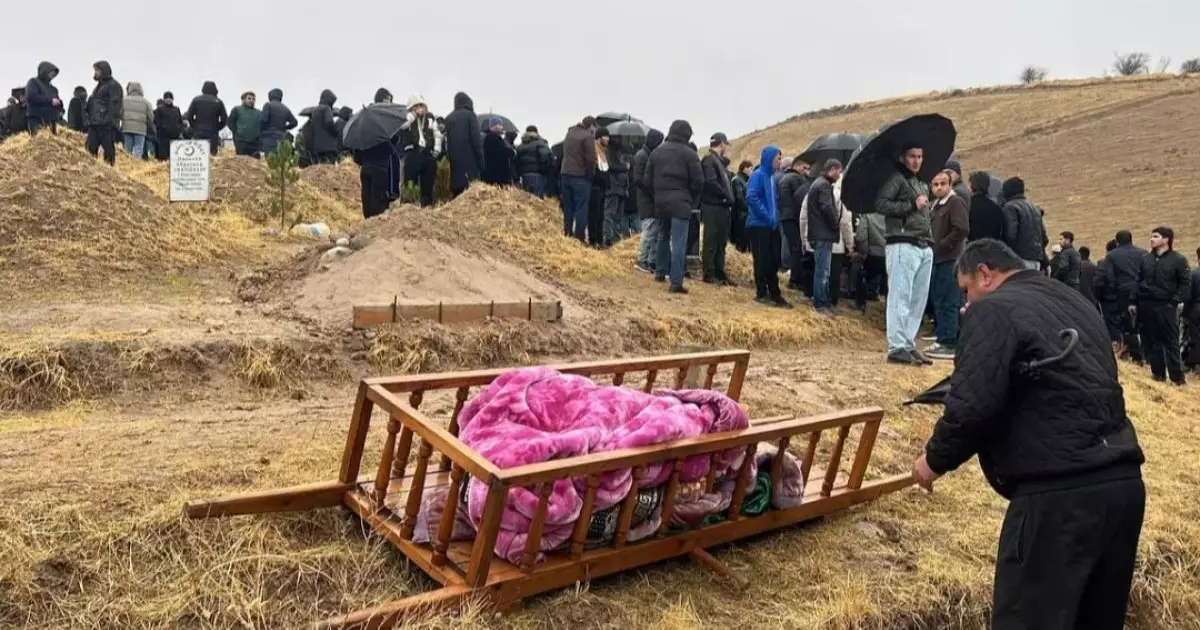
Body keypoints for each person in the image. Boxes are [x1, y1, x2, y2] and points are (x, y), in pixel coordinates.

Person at [914, 238, 1146, 630]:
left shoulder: (993, 310)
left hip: (1057, 498)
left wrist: (933, 461)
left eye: (966, 290)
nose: (967, 303)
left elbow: (971, 406)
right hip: (1122, 485)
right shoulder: (1073, 301)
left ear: (985, 274)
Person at [877, 143, 934, 366]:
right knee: (900, 296)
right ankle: (897, 345)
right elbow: (881, 204)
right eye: (912, 156)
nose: (916, 161)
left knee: (917, 298)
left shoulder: (920, 182)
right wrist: (911, 205)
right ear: (903, 157)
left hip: (923, 243)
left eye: (920, 156)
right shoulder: (896, 179)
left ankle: (908, 342)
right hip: (902, 242)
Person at [645, 120, 703, 295]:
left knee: (662, 236)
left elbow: (647, 181)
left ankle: (660, 273)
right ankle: (676, 282)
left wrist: (658, 195)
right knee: (679, 241)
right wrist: (690, 198)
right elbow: (698, 182)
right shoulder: (690, 154)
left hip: (661, 201)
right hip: (681, 202)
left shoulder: (656, 152)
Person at [1134, 226, 1191, 385]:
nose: (1151, 239)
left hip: (1166, 306)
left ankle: (1177, 378)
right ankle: (1158, 374)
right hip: (1147, 305)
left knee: (1171, 341)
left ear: (1166, 239)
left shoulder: (1178, 260)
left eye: (1156, 236)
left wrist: (1174, 301)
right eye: (1151, 236)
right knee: (1152, 342)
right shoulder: (1145, 259)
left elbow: (1185, 284)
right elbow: (1138, 280)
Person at [926, 169, 970, 359]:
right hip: (938, 258)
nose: (939, 187)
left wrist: (943, 245)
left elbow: (961, 229)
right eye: (935, 184)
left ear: (950, 184)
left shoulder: (955, 202)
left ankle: (949, 341)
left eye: (943, 183)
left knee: (948, 300)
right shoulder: (935, 205)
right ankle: (943, 335)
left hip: (949, 258)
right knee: (939, 298)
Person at [745, 145, 791, 307]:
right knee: (762, 260)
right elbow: (752, 197)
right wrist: (767, 215)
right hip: (758, 225)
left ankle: (775, 293)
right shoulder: (758, 176)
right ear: (770, 158)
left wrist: (774, 218)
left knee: (772, 260)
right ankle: (762, 292)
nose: (779, 161)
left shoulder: (771, 178)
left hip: (770, 225)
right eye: (778, 158)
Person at [804, 159, 845, 313]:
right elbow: (827, 207)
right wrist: (836, 224)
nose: (839, 175)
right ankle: (821, 305)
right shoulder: (823, 185)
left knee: (823, 272)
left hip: (819, 233)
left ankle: (824, 302)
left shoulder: (819, 183)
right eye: (839, 171)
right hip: (822, 234)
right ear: (832, 169)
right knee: (823, 273)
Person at [1103, 230, 1148, 358]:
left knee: (1127, 326)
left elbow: (1109, 277)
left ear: (1117, 241)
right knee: (1144, 325)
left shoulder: (1112, 255)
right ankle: (1146, 356)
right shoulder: (1143, 253)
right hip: (1142, 292)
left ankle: (1134, 355)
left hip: (1122, 293)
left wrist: (1113, 293)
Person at [700, 132, 736, 285]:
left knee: (721, 240)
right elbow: (711, 182)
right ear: (721, 144)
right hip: (712, 206)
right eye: (726, 145)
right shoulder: (709, 159)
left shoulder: (718, 161)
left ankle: (720, 272)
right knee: (712, 239)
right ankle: (709, 273)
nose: (726, 148)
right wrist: (725, 196)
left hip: (721, 206)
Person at [398, 94, 442, 207]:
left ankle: (427, 206)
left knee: (428, 183)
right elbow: (402, 126)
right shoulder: (407, 117)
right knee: (410, 183)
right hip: (412, 154)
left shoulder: (430, 117)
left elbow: (437, 134)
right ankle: (409, 206)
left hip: (428, 155)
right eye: (416, 105)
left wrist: (437, 150)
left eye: (421, 105)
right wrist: (413, 114)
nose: (419, 108)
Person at [559, 116, 598, 241]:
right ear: (591, 126)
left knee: (568, 207)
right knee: (581, 208)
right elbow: (591, 160)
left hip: (565, 174)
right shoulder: (587, 137)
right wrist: (591, 175)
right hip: (581, 177)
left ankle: (568, 233)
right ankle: (579, 237)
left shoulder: (569, 133)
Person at [632, 128, 664, 273]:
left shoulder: (649, 155)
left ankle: (651, 261)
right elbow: (638, 180)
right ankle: (642, 260)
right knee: (649, 231)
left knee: (655, 232)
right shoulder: (641, 156)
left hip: (652, 199)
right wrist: (652, 190)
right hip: (646, 200)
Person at [777, 159, 812, 292]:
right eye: (804, 167)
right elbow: (802, 198)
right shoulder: (796, 179)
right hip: (793, 217)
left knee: (792, 247)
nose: (806, 171)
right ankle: (796, 280)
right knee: (798, 249)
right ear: (796, 166)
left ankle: (794, 277)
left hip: (785, 216)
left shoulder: (785, 178)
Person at [1000, 177, 1048, 270]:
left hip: (1019, 258)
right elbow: (1044, 237)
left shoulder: (1010, 207)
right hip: (1036, 259)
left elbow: (1010, 235)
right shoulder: (1035, 208)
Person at [352, 132, 402, 219]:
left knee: (366, 197)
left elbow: (356, 157)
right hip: (380, 169)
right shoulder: (383, 133)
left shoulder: (362, 135)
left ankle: (367, 221)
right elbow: (392, 149)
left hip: (365, 168)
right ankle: (376, 224)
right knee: (378, 199)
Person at [444, 91, 484, 197]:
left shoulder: (448, 118)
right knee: (471, 197)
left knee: (457, 197)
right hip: (470, 162)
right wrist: (481, 162)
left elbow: (445, 141)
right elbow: (476, 140)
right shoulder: (470, 115)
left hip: (454, 163)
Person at [86, 61, 123, 166]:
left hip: (106, 125)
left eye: (97, 70)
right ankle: (91, 172)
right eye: (95, 70)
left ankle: (110, 174)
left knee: (109, 153)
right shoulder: (98, 86)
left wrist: (109, 122)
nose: (95, 73)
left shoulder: (114, 86)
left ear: (104, 71)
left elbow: (115, 106)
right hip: (95, 124)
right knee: (89, 150)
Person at [854, 212, 888, 312]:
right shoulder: (894, 216)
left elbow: (860, 236)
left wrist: (863, 252)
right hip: (890, 255)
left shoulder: (868, 216)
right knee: (890, 284)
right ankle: (888, 311)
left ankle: (861, 305)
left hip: (873, 255)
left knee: (863, 276)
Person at [185, 81, 227, 155]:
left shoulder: (196, 99)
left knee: (198, 154)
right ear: (215, 89)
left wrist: (194, 126)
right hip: (213, 132)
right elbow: (224, 119)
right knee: (212, 155)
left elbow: (189, 116)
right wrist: (217, 127)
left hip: (198, 131)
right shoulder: (219, 101)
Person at [586, 128, 611, 247]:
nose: (608, 139)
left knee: (601, 216)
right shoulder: (594, 150)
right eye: (605, 136)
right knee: (594, 215)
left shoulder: (604, 152)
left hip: (602, 187)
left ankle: (600, 240)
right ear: (599, 138)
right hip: (595, 186)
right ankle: (593, 240)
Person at [514, 125, 553, 197]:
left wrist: (517, 177)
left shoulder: (520, 146)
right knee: (538, 200)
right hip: (538, 175)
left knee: (528, 199)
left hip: (524, 176)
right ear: (537, 133)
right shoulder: (541, 143)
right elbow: (545, 157)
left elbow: (516, 163)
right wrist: (544, 170)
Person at [24, 61, 61, 135]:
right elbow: (31, 97)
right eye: (51, 72)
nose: (52, 75)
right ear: (44, 71)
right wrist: (50, 101)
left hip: (51, 122)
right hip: (37, 120)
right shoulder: (33, 82)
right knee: (40, 144)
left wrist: (60, 104)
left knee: (52, 145)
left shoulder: (54, 89)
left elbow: (57, 101)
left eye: (54, 74)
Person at [967, 171, 1004, 242]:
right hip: (990, 248)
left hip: (972, 248)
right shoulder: (996, 208)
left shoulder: (967, 205)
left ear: (972, 186)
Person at [259, 89, 297, 156]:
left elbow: (263, 120)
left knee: (270, 160)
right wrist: (284, 127)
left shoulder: (268, 105)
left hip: (269, 137)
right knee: (280, 159)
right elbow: (294, 122)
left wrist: (261, 131)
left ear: (270, 96)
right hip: (282, 137)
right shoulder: (285, 108)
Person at [121, 82, 154, 159]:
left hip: (127, 128)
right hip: (141, 129)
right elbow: (151, 117)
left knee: (127, 148)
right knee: (138, 148)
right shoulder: (146, 102)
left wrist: (124, 121)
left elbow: (119, 113)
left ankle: (127, 165)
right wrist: (147, 124)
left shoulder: (124, 100)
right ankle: (135, 165)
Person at [308, 89, 340, 165]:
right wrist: (336, 132)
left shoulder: (315, 110)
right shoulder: (327, 109)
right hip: (328, 146)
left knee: (321, 169)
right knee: (329, 170)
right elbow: (329, 122)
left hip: (318, 146)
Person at [226, 92, 262, 158]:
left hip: (255, 143)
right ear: (243, 100)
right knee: (242, 163)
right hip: (241, 142)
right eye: (249, 98)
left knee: (255, 165)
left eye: (253, 99)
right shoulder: (237, 109)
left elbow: (262, 125)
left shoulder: (258, 112)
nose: (251, 100)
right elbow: (230, 122)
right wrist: (237, 132)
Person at [482, 117, 515, 186]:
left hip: (498, 174)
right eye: (499, 125)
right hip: (496, 175)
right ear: (493, 126)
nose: (502, 127)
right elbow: (503, 151)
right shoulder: (491, 137)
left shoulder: (496, 137)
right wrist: (512, 151)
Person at [730, 159, 753, 254]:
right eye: (751, 169)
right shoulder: (737, 180)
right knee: (741, 239)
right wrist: (749, 208)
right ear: (745, 169)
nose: (752, 171)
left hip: (744, 214)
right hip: (740, 215)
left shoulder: (743, 180)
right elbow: (740, 198)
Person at [153, 92, 184, 161]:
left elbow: (180, 121)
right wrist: (161, 129)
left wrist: (180, 131)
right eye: (166, 98)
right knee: (163, 157)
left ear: (172, 99)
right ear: (164, 99)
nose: (168, 100)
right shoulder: (160, 109)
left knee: (174, 156)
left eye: (170, 98)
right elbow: (156, 122)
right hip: (163, 137)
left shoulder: (176, 109)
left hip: (175, 136)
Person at [1186, 247, 1200, 372]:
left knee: (1196, 337)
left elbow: (1188, 296)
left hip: (1197, 309)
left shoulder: (1194, 274)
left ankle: (1196, 364)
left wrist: (1185, 313)